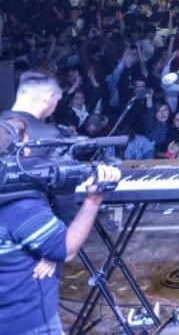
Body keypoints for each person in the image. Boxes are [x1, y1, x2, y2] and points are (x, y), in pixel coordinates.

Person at [0, 114, 122, 335]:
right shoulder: (21, 207)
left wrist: (43, 248)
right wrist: (93, 199)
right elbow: (65, 249)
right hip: (28, 323)